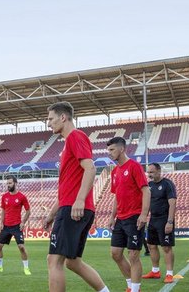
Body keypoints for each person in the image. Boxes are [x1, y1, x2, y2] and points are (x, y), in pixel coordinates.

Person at [43, 102, 109, 292]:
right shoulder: (68, 144)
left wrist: (79, 199)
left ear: (63, 117)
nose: (48, 124)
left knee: (54, 260)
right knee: (72, 262)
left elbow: (91, 168)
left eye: (50, 119)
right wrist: (51, 214)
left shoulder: (75, 136)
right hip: (71, 206)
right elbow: (66, 190)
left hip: (74, 207)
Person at [106, 137, 151, 292]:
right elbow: (116, 196)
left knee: (133, 255)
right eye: (108, 150)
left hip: (134, 216)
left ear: (122, 149)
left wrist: (144, 214)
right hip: (120, 218)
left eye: (112, 150)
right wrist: (112, 217)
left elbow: (146, 190)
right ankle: (131, 285)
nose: (109, 153)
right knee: (115, 253)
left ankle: (135, 289)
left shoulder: (134, 166)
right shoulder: (114, 172)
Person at [0, 175, 32, 275]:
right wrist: (1, 223)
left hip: (17, 226)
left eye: (10, 183)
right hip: (6, 226)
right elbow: (3, 210)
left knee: (21, 247)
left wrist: (23, 222)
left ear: (15, 183)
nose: (8, 185)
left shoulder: (22, 197)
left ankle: (26, 268)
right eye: (7, 183)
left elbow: (28, 211)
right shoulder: (4, 196)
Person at [141, 163, 177, 284]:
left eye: (152, 172)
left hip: (164, 219)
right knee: (151, 245)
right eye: (148, 172)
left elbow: (172, 203)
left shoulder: (167, 184)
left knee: (166, 247)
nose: (149, 174)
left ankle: (169, 274)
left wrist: (170, 222)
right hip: (153, 219)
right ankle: (155, 271)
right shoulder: (149, 185)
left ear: (159, 171)